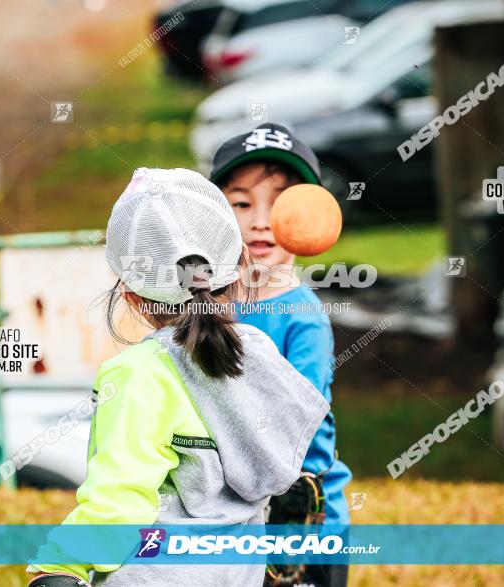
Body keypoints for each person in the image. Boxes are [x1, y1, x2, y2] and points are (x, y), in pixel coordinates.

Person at [26, 167, 330, 586]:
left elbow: (120, 497)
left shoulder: (139, 373)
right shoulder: (258, 354)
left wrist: (62, 566)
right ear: (240, 263)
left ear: (130, 295)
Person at [210, 123, 353, 586]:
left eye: (280, 203)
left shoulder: (302, 317)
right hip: (230, 515)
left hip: (300, 519)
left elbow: (299, 425)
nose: (261, 220)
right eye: (242, 203)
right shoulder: (204, 310)